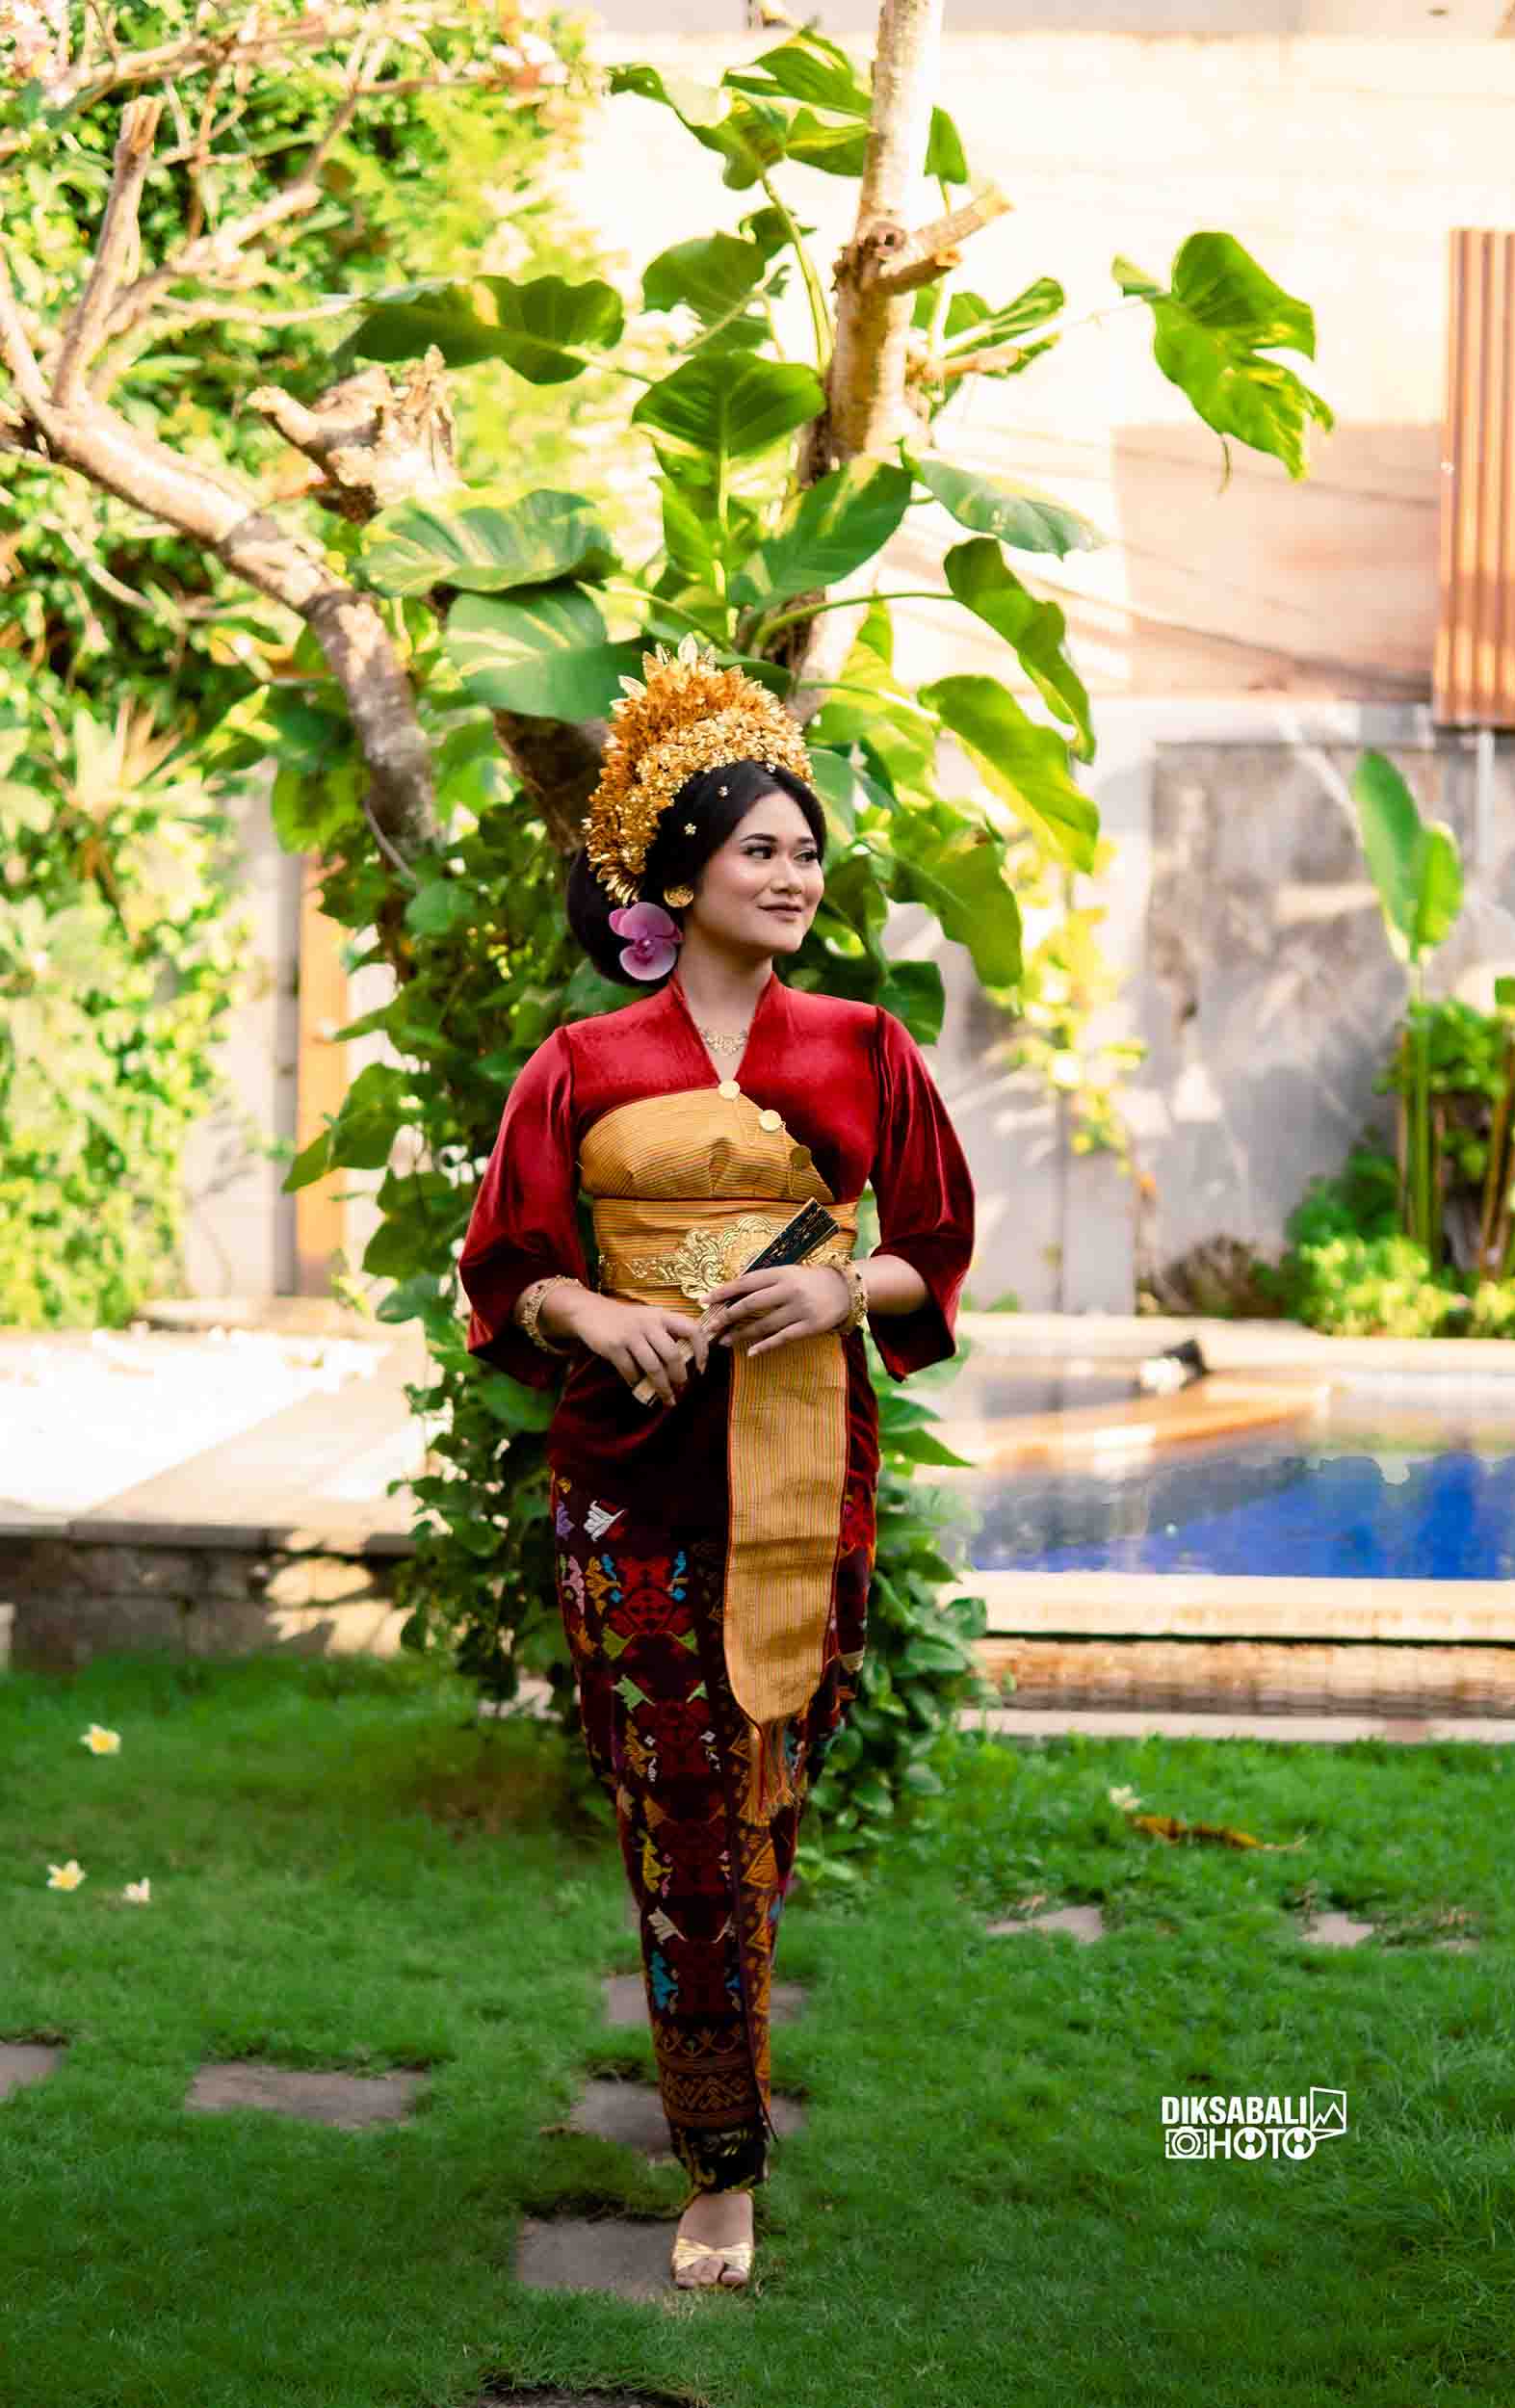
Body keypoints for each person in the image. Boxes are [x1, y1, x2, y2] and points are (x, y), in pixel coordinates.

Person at [457, 637, 976, 2291]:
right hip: (629, 1483)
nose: (797, 875)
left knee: (761, 1809)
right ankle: (721, 2168)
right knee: (679, 1820)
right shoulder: (582, 1065)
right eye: (762, 849)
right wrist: (599, 1314)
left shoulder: (865, 1047)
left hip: (808, 1477)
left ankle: (715, 2067)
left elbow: (936, 1252)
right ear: (678, 879)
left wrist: (840, 1287)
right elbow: (502, 1272)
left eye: (809, 850)